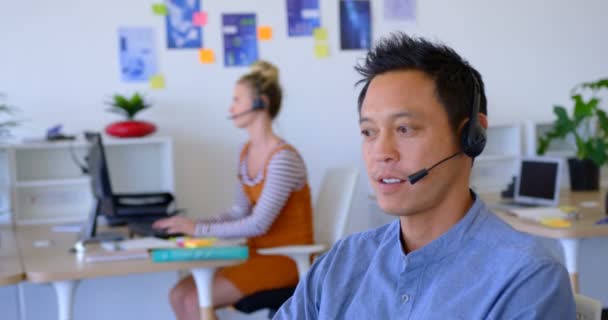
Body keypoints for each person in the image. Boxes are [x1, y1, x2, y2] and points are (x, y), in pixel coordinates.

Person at [275, 33, 575, 319]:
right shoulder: (342, 262)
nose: (381, 152)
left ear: (472, 135)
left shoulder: (527, 278)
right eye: (369, 132)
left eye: (404, 129)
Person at [153, 60, 313, 320]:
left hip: (283, 260)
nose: (231, 107)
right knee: (178, 295)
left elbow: (258, 224)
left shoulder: (283, 158)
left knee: (194, 300)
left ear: (260, 102)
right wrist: (191, 224)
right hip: (254, 256)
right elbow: (239, 212)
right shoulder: (245, 152)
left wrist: (198, 230)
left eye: (237, 100)